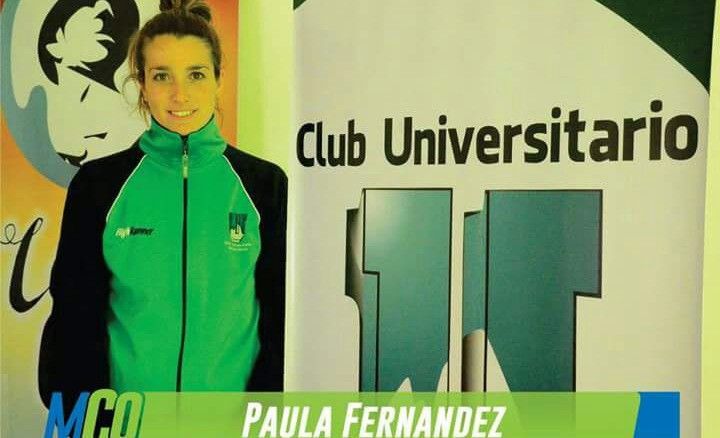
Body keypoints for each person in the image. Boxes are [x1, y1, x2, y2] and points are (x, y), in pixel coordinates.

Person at [39, 0, 287, 407]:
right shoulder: (98, 186)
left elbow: (281, 319)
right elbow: (73, 316)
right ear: (141, 83)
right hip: (128, 421)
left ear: (218, 79)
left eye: (196, 74)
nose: (179, 94)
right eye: (161, 75)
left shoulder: (266, 186)